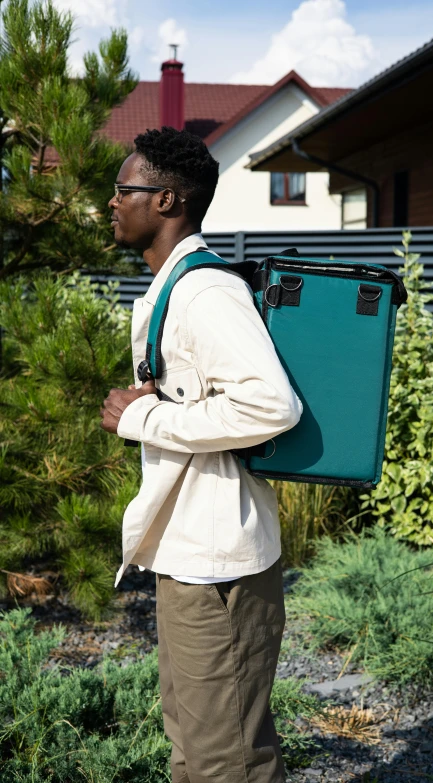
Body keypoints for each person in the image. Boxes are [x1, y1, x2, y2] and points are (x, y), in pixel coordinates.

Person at [100, 125, 302, 783]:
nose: (110, 201)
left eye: (122, 189)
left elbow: (271, 404)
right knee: (191, 746)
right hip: (189, 556)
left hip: (222, 566)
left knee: (228, 762)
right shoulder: (172, 288)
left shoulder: (206, 290)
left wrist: (145, 415)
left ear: (165, 202)